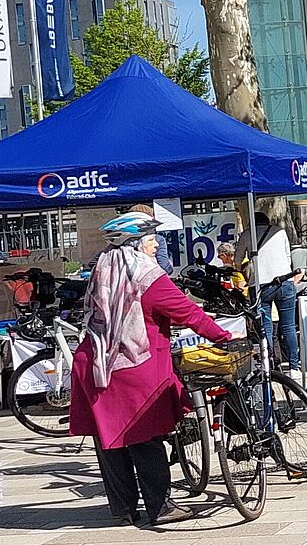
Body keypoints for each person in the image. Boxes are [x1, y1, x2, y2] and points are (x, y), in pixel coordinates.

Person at [68, 210, 234, 527]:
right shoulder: (145, 275)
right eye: (150, 239)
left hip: (95, 362)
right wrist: (224, 336)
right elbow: (187, 312)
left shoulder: (104, 267)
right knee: (146, 438)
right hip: (132, 368)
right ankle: (160, 506)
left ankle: (124, 509)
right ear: (135, 243)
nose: (156, 245)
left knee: (110, 442)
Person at [246, 210, 300, 367]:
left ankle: (269, 363)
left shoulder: (247, 234)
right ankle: (294, 365)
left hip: (260, 285)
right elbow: (288, 257)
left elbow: (237, 259)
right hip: (285, 281)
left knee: (266, 327)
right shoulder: (280, 232)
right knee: (289, 326)